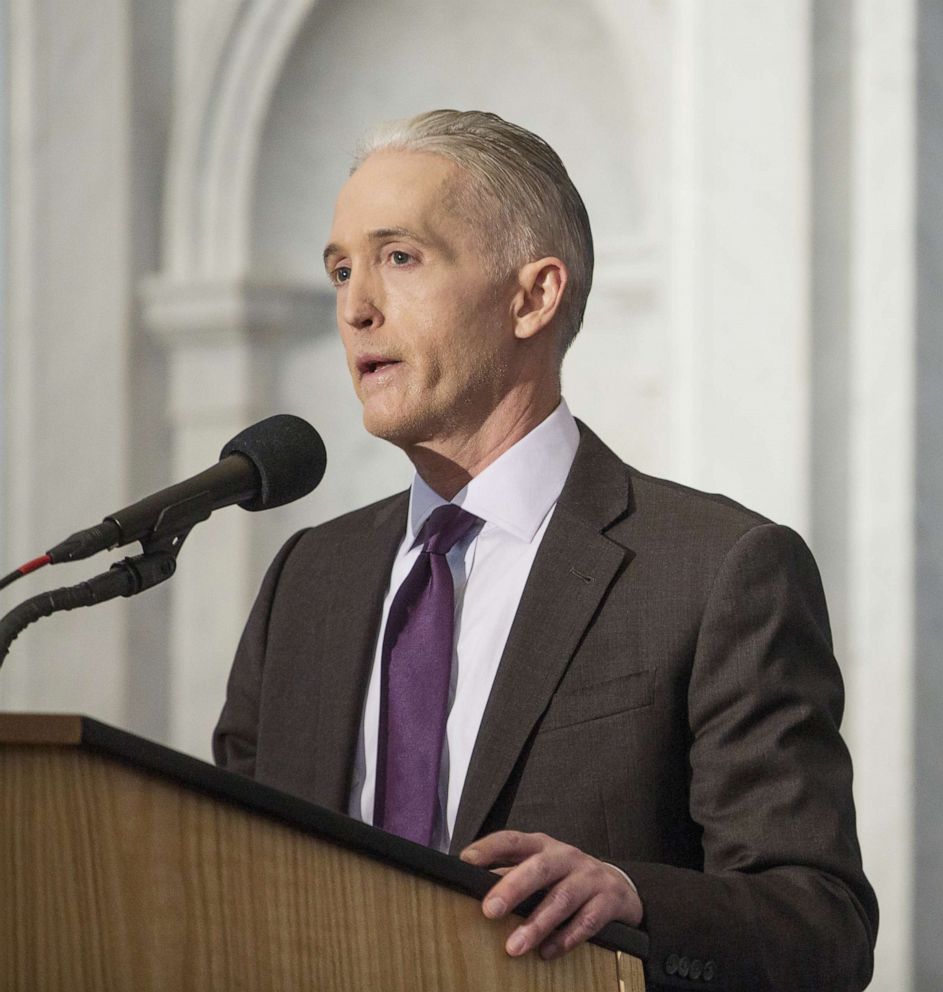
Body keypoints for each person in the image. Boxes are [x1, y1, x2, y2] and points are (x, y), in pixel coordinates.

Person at [214, 110, 878, 990]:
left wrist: (634, 898)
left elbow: (821, 927)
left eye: (398, 257)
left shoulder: (717, 571)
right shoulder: (309, 578)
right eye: (340, 268)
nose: (354, 306)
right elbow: (218, 874)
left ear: (533, 295)